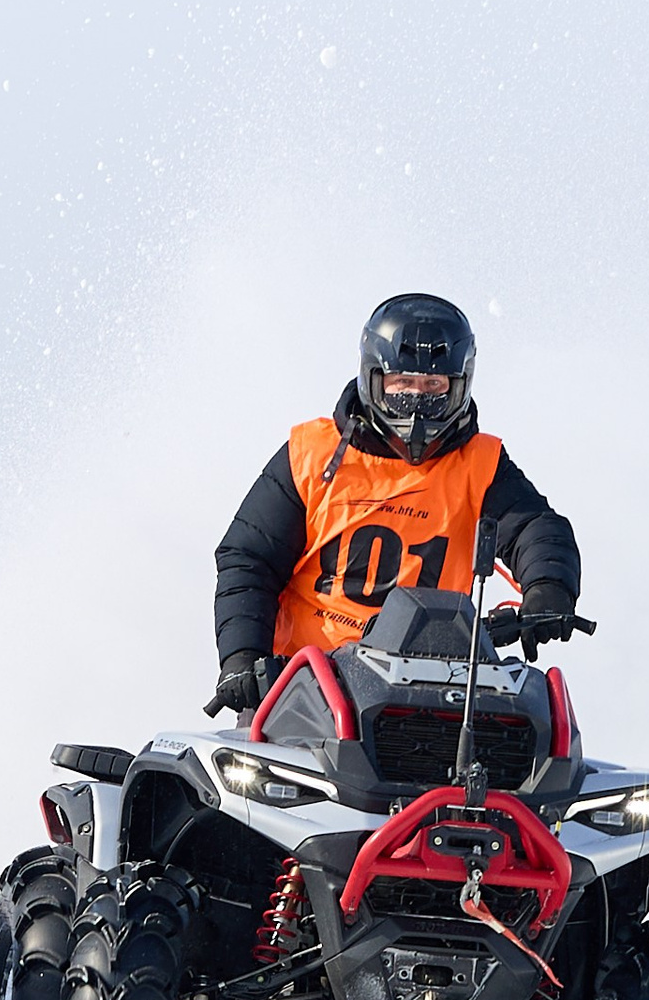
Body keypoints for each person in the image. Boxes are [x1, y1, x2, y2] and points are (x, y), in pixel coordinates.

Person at [211, 293, 582, 714]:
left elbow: (535, 527)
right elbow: (249, 558)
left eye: (434, 387)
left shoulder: (481, 465)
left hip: (432, 690)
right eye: (402, 384)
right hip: (305, 691)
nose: (418, 402)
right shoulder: (311, 454)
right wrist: (241, 659)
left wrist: (548, 588)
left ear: (460, 386)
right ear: (374, 379)